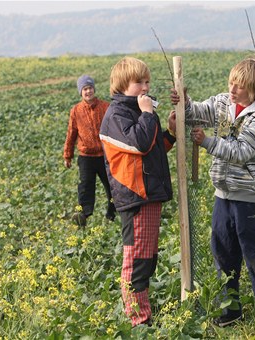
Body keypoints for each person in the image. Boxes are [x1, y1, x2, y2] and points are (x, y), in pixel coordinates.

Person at [170, 57, 255, 328]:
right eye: (231, 82)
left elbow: (242, 151)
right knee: (223, 254)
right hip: (223, 194)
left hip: (248, 198)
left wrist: (207, 142)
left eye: (240, 86)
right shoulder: (224, 103)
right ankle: (230, 310)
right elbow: (197, 112)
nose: (233, 89)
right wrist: (183, 102)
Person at [99, 56, 177, 327]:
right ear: (121, 86)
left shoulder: (137, 112)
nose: (145, 87)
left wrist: (171, 134)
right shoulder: (117, 116)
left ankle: (142, 314)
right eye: (138, 82)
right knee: (137, 260)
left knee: (148, 257)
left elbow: (152, 152)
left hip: (147, 195)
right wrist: (147, 114)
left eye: (147, 81)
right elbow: (140, 144)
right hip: (135, 197)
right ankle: (138, 322)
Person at [63, 74, 116, 227]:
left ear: (94, 89)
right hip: (86, 156)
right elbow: (71, 134)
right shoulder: (76, 111)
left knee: (112, 185)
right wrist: (68, 155)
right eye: (85, 89)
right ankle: (83, 216)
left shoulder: (105, 107)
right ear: (81, 92)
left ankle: (112, 213)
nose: (88, 91)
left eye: (90, 88)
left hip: (105, 154)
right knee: (85, 186)